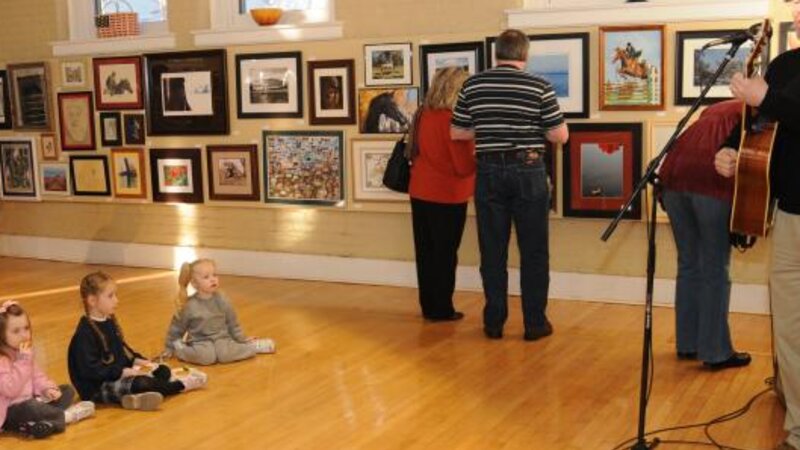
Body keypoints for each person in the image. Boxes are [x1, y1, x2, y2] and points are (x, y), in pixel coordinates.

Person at [714, 2, 800, 448]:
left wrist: (763, 97)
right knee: (788, 323)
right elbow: (759, 121)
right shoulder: (786, 63)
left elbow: (779, 105)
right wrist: (731, 149)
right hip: (789, 214)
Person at [451, 29, 569, 341]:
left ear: (496, 54)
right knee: (533, 252)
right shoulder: (540, 86)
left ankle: (494, 322)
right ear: (525, 54)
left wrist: (488, 129)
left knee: (492, 251)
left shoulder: (473, 85)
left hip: (488, 171)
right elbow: (560, 136)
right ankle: (534, 323)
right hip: (528, 170)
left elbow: (458, 133)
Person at [657, 99, 751, 370]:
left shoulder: (715, 109)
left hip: (673, 179)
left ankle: (688, 344)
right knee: (714, 267)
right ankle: (716, 351)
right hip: (711, 182)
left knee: (688, 263)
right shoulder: (752, 110)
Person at [68, 271, 207, 411]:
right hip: (97, 388)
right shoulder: (84, 334)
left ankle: (135, 399)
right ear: (92, 301)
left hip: (115, 376)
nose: (116, 300)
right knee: (141, 383)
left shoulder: (108, 322)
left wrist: (139, 361)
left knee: (162, 370)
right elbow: (92, 371)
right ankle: (180, 385)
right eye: (110, 296)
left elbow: (123, 351)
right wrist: (123, 372)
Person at [408, 67, 476, 322]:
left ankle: (429, 306)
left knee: (425, 252)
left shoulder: (422, 114)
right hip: (448, 195)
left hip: (420, 190)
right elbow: (463, 166)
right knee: (445, 255)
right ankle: (442, 309)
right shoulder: (453, 120)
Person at [0, 300, 94, 439]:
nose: (24, 335)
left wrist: (47, 389)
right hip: (9, 411)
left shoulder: (24, 351)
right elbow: (10, 389)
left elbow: (37, 376)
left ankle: (46, 422)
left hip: (30, 401)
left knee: (66, 390)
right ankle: (65, 417)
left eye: (26, 328)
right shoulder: (2, 359)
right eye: (16, 331)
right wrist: (23, 362)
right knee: (30, 407)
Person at [162, 259, 275, 365]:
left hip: (222, 339)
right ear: (195, 283)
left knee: (225, 354)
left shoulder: (222, 299)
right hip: (200, 342)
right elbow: (176, 328)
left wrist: (242, 339)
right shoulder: (189, 305)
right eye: (206, 277)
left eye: (214, 275)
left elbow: (232, 323)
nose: (213, 279)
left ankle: (252, 346)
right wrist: (169, 347)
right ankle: (181, 350)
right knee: (206, 357)